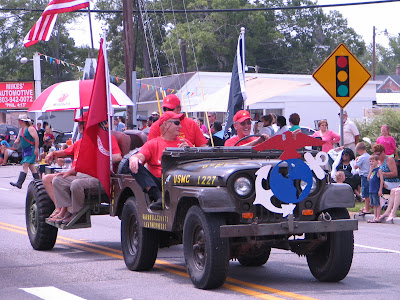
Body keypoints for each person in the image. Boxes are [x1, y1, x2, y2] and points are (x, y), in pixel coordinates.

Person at [45, 112, 122, 224]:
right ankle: (65, 210)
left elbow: (117, 157)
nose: (79, 126)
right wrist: (53, 154)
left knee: (76, 184)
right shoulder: (83, 141)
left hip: (98, 177)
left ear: (90, 124)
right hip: (81, 175)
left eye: (82, 123)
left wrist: (101, 157)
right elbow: (67, 152)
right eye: (79, 123)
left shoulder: (107, 139)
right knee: (58, 180)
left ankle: (77, 213)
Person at [120, 111, 192, 210]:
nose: (180, 126)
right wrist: (134, 158)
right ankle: (158, 196)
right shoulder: (153, 144)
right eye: (177, 123)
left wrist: (189, 151)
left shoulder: (185, 143)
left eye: (180, 123)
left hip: (182, 180)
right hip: (160, 183)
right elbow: (140, 156)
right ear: (166, 125)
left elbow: (197, 163)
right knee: (132, 164)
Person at [10, 114, 40, 188]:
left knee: (25, 165)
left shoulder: (30, 128)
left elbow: (36, 138)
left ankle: (19, 183)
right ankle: (39, 182)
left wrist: (36, 148)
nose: (19, 122)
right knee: (32, 167)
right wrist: (16, 141)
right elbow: (18, 139)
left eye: (20, 120)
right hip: (25, 150)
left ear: (24, 121)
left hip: (30, 149)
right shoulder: (21, 130)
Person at [374, 143, 400, 222]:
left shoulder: (389, 159)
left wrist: (383, 174)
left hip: (392, 181)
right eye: (376, 154)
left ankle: (384, 208)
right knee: (373, 183)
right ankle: (379, 207)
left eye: (379, 154)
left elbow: (395, 173)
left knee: (377, 184)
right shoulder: (377, 161)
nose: (378, 156)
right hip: (383, 182)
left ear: (383, 152)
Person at [355, 142, 371, 216]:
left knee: (365, 193)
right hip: (369, 176)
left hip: (364, 176)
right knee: (368, 192)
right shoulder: (369, 156)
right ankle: (367, 206)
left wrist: (356, 160)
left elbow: (356, 166)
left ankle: (367, 209)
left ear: (360, 150)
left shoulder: (361, 157)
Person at [367, 155, 384, 223]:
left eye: (373, 161)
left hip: (376, 189)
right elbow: (368, 179)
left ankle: (378, 217)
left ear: (377, 161)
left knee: (377, 204)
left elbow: (381, 180)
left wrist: (380, 190)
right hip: (371, 189)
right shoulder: (372, 170)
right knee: (373, 204)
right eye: (370, 161)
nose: (371, 163)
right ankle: (374, 217)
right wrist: (370, 170)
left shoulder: (379, 170)